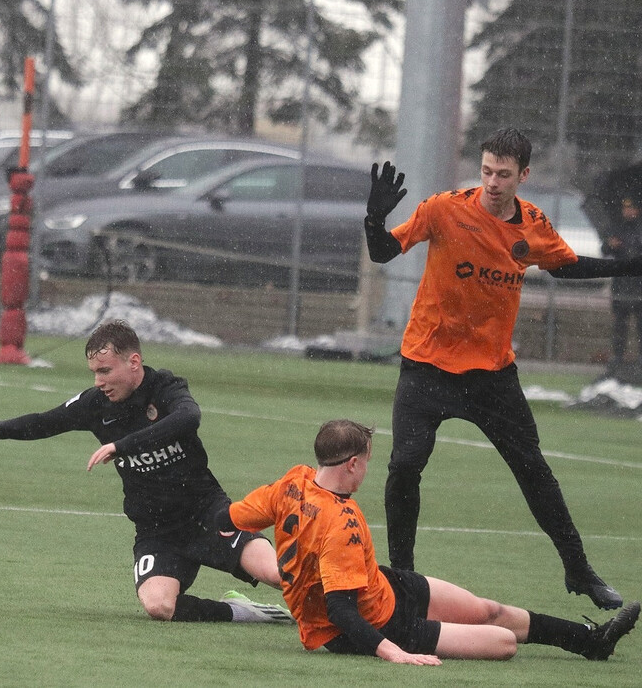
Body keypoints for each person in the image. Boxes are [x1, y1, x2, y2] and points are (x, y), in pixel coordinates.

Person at [364, 128, 642, 610]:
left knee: (534, 470)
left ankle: (579, 570)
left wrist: (631, 267)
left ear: (523, 176)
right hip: (426, 365)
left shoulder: (533, 222)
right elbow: (384, 251)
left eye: (504, 174)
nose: (493, 181)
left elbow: (567, 266)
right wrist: (374, 217)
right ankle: (403, 579)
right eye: (487, 170)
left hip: (491, 375)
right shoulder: (444, 208)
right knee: (405, 466)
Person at [219, 419, 640, 664]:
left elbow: (234, 517)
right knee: (505, 644)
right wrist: (394, 652)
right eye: (367, 462)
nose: (368, 470)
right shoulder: (341, 521)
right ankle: (581, 642)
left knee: (488, 610)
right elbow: (341, 611)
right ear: (351, 464)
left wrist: (205, 521)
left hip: (381, 586)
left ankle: (592, 643)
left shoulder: (294, 480)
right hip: (374, 626)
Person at [0, 319, 292, 625]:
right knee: (159, 606)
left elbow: (188, 418)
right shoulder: (96, 403)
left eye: (105, 371)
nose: (98, 381)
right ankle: (246, 612)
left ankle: (334, 611)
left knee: (279, 575)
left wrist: (123, 446)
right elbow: (45, 421)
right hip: (157, 529)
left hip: (209, 513)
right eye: (94, 372)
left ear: (133, 362)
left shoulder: (165, 387)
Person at [603, 197, 642, 381]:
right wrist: (610, 245)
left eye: (631, 208)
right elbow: (605, 249)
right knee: (620, 326)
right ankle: (618, 358)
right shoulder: (617, 228)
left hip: (638, 288)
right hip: (620, 287)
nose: (628, 212)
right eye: (625, 208)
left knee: (640, 326)